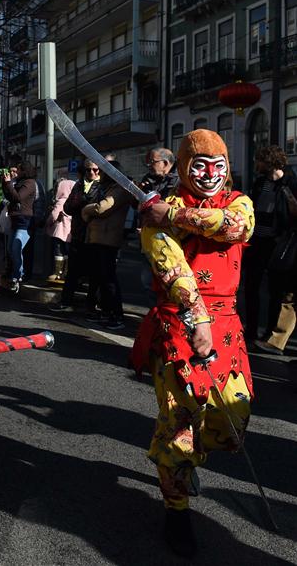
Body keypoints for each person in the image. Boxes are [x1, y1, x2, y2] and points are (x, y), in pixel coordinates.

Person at [133, 129, 254, 557]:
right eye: (199, 166)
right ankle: (177, 508)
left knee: (233, 416)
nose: (208, 174)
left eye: (217, 166)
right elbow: (173, 269)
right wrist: (197, 317)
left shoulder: (237, 201)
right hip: (180, 324)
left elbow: (236, 227)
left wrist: (172, 214)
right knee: (181, 423)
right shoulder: (155, 214)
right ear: (184, 168)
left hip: (228, 324)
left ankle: (188, 463)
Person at [241, 145, 297, 348]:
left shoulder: (290, 182)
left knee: (276, 291)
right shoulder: (260, 182)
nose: (256, 164)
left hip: (278, 244)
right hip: (257, 242)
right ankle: (251, 330)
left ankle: (269, 335)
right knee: (251, 287)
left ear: (269, 162)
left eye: (259, 161)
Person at [81, 160, 129, 330]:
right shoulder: (106, 188)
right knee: (100, 277)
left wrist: (85, 210)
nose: (99, 174)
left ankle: (116, 315)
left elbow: (102, 208)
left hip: (108, 239)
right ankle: (106, 311)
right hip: (98, 237)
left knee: (108, 279)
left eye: (102, 171)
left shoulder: (120, 188)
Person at [51, 159, 101, 312]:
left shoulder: (102, 186)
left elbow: (100, 208)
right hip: (78, 233)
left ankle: (91, 306)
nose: (91, 172)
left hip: (94, 235)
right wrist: (79, 203)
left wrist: (86, 207)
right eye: (88, 170)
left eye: (95, 169)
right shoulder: (78, 185)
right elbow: (67, 207)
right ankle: (66, 302)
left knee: (94, 273)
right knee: (72, 271)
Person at [2, 161, 37, 293]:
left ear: (24, 171)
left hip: (24, 221)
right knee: (11, 249)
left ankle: (17, 276)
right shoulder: (19, 182)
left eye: (19, 170)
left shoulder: (29, 183)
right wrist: (5, 183)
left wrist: (8, 184)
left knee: (16, 248)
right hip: (15, 221)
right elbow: (10, 196)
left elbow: (18, 197)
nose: (16, 173)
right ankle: (15, 274)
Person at [45, 176, 75, 283]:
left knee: (58, 252)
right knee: (67, 253)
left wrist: (47, 223)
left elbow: (54, 215)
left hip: (59, 232)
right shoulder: (73, 201)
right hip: (70, 233)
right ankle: (66, 273)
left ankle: (58, 273)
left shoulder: (61, 201)